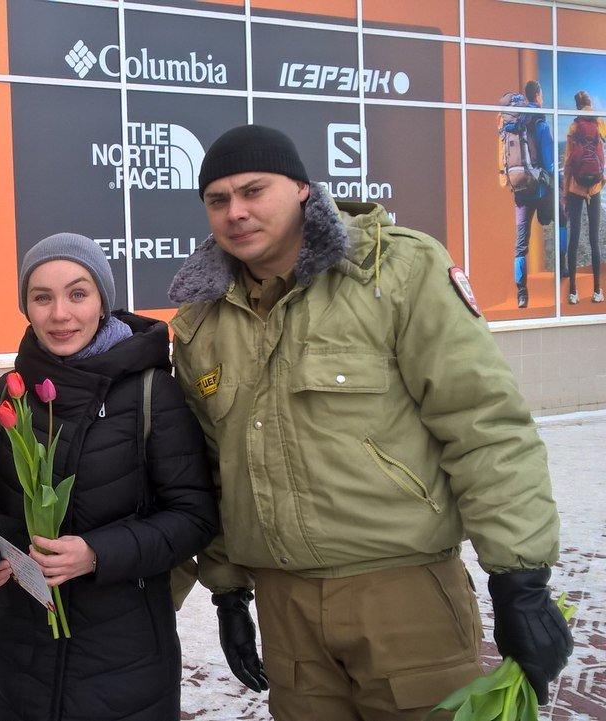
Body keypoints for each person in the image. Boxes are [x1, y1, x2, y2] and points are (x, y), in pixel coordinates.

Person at [166, 124, 572, 720]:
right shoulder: (200, 321)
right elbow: (215, 465)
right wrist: (227, 589)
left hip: (402, 594)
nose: (237, 212)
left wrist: (520, 575)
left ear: (303, 189)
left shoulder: (396, 271)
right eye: (218, 200)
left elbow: (484, 424)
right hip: (286, 607)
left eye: (254, 190)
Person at [0, 232, 219, 721]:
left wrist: (97, 553)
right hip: (25, 650)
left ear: (103, 301)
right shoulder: (11, 392)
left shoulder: (151, 392)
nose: (60, 314)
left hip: (124, 653)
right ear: (27, 307)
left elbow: (193, 517)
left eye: (78, 294)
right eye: (42, 297)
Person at [507, 80, 557, 308]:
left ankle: (521, 294)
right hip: (539, 190)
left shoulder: (515, 122)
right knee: (560, 216)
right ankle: (564, 268)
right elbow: (548, 162)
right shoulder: (540, 122)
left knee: (520, 245)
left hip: (519, 190)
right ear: (538, 95)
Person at [562, 90, 605, 304]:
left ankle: (573, 292)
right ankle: (598, 291)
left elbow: (568, 163)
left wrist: (564, 194)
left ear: (577, 107)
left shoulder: (573, 127)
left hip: (576, 188)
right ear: (590, 103)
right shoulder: (600, 124)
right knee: (594, 240)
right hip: (595, 188)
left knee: (574, 239)